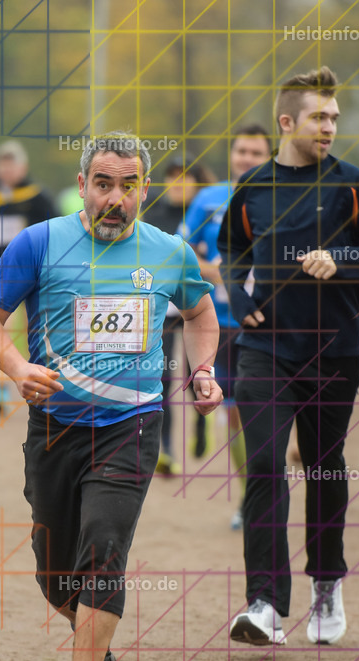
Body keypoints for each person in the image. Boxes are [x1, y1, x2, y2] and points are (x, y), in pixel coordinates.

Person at [0, 132, 222, 661]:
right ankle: (99, 660)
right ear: (83, 185)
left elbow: (202, 315)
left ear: (144, 190)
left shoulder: (168, 251)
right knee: (56, 577)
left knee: (105, 548)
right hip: (55, 428)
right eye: (103, 184)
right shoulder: (38, 243)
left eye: (127, 186)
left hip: (131, 425)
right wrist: (18, 368)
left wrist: (202, 371)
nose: (115, 198)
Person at [220, 66, 359, 647]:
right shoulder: (252, 187)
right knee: (266, 465)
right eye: (319, 117)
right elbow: (230, 250)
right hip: (265, 351)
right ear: (286, 121)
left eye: (333, 118)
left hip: (333, 354)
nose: (329, 126)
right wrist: (240, 296)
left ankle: (327, 581)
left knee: (325, 470)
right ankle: (266, 603)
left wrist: (342, 260)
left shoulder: (352, 184)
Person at [183, 124, 272, 525]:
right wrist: (215, 272)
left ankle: (273, 478)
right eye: (242, 152)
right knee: (234, 411)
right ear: (231, 155)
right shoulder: (208, 199)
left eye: (256, 153)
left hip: (270, 321)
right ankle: (249, 497)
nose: (247, 159)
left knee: (274, 409)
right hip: (222, 324)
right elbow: (180, 250)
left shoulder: (282, 198)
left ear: (269, 157)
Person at [142, 156, 214, 478]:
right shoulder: (153, 215)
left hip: (197, 309)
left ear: (198, 183)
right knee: (162, 379)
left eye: (185, 177)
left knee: (192, 376)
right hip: (163, 311)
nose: (177, 183)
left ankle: (201, 422)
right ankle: (166, 449)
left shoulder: (206, 216)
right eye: (172, 177)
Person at [0, 140, 57, 412]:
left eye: (12, 164)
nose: (7, 170)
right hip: (1, 272)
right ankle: (0, 388)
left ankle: (37, 378)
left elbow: (54, 232)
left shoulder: (38, 196)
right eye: (3, 164)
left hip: (35, 274)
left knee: (31, 330)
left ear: (23, 167)